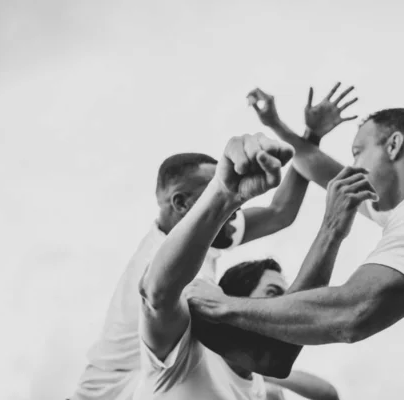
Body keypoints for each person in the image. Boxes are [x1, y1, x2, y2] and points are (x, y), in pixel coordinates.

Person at [186, 89, 404, 400]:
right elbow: (318, 168)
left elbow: (353, 313)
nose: (351, 167)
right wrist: (289, 129)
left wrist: (223, 306)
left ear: (393, 146)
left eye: (358, 152)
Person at [70, 90, 362, 400]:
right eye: (217, 193)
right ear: (182, 204)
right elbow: (272, 354)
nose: (235, 209)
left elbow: (279, 213)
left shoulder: (206, 242)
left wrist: (311, 136)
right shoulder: (169, 271)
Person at [134, 133, 362, 399]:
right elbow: (157, 293)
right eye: (273, 294)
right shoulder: (184, 351)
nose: (288, 305)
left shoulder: (257, 387)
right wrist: (224, 193)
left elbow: (324, 393)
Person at [218, 259, 339, 400]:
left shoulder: (260, 386)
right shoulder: (194, 347)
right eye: (273, 293)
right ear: (237, 298)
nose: (283, 307)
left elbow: (328, 395)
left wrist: (262, 370)